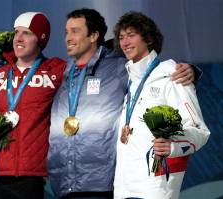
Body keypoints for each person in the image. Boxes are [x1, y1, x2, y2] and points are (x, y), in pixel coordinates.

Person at [48, 8, 199, 199]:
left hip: (101, 183)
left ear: (94, 35)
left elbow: (152, 70)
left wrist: (190, 71)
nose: (67, 38)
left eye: (75, 31)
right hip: (64, 183)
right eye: (66, 32)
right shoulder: (61, 72)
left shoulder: (118, 66)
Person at [113, 11, 210, 199]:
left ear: (148, 38)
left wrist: (172, 145)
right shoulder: (132, 82)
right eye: (121, 37)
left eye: (131, 35)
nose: (124, 43)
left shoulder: (172, 76)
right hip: (124, 187)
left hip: (155, 188)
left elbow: (200, 130)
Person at [0, 12, 66, 199]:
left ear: (41, 39)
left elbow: (83, 63)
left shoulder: (55, 71)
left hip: (27, 179)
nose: (18, 39)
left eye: (27, 33)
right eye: (16, 33)